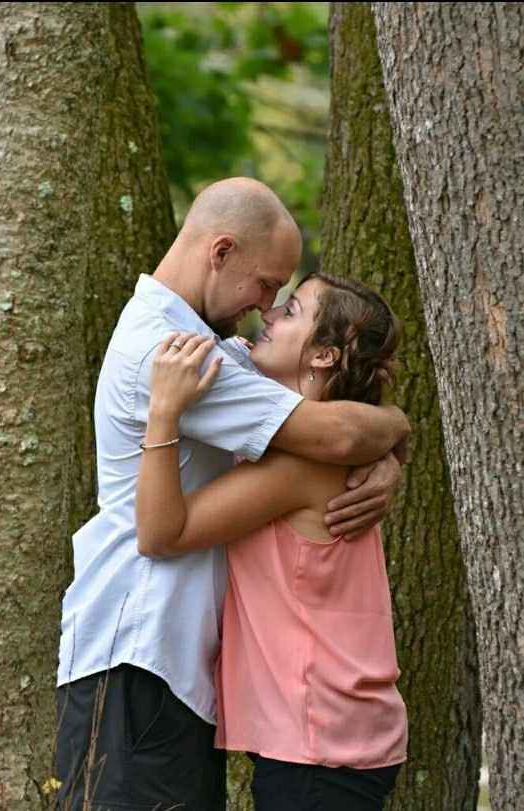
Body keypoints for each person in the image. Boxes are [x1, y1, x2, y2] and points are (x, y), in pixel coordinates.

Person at [55, 178, 409, 811]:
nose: (264, 308)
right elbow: (340, 433)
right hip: (138, 653)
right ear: (220, 253)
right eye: (267, 285)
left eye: (282, 299)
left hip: (182, 669)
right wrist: (390, 438)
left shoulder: (215, 347)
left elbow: (342, 432)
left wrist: (387, 455)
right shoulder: (175, 358)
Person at [136, 273, 407, 811]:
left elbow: (162, 533)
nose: (271, 315)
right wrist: (396, 431)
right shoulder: (319, 446)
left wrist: (163, 412)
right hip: (330, 736)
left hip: (321, 742)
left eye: (293, 311)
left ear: (325, 355)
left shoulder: (300, 466)